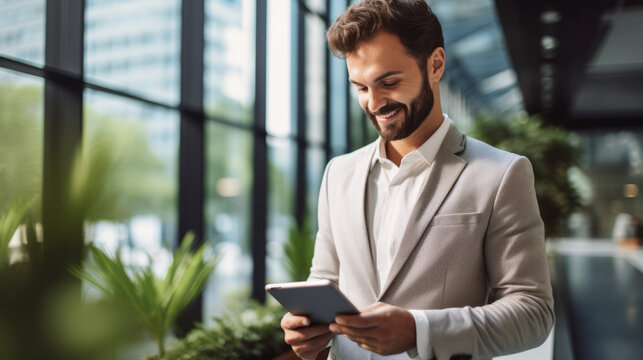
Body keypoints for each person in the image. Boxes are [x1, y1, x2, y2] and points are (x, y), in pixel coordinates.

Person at [280, 1, 554, 359]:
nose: (374, 103)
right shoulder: (338, 174)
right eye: (360, 87)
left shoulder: (501, 173)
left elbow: (533, 311)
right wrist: (305, 330)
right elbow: (325, 283)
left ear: (435, 64)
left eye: (388, 82)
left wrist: (420, 329)